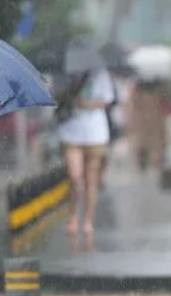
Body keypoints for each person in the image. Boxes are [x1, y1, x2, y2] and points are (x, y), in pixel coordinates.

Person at [57, 68, 115, 236]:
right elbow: (55, 95)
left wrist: (87, 104)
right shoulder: (66, 72)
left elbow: (108, 99)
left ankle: (88, 220)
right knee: (74, 177)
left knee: (91, 179)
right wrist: (68, 95)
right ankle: (74, 215)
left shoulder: (100, 74)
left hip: (95, 133)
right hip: (71, 131)